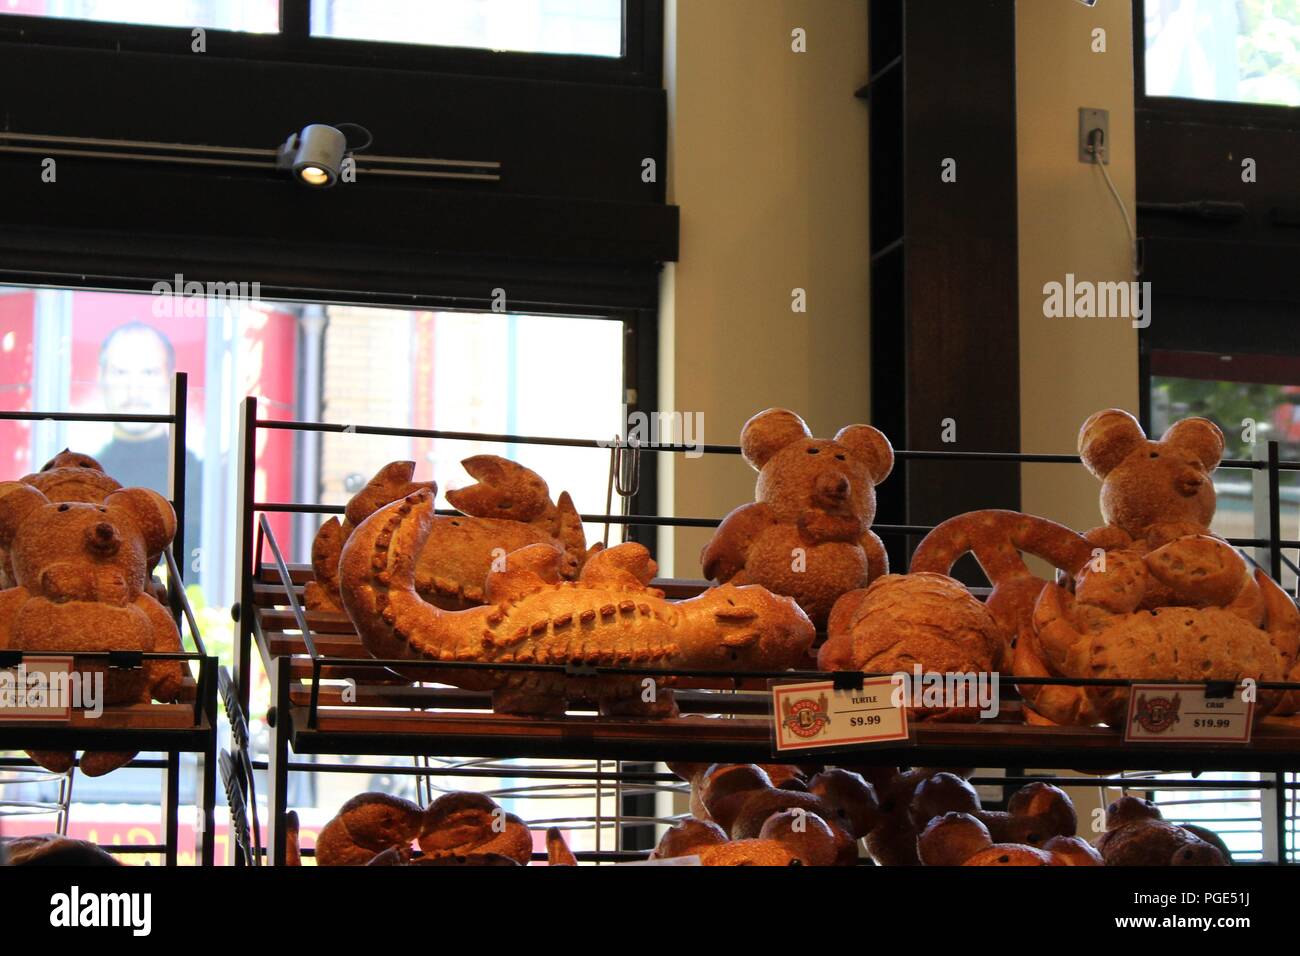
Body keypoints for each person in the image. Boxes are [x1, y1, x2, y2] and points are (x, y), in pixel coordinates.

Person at [95, 322, 203, 569]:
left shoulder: (204, 480)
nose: (134, 388)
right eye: (121, 373)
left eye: (149, 373)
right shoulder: (86, 480)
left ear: (170, 379)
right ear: (101, 378)